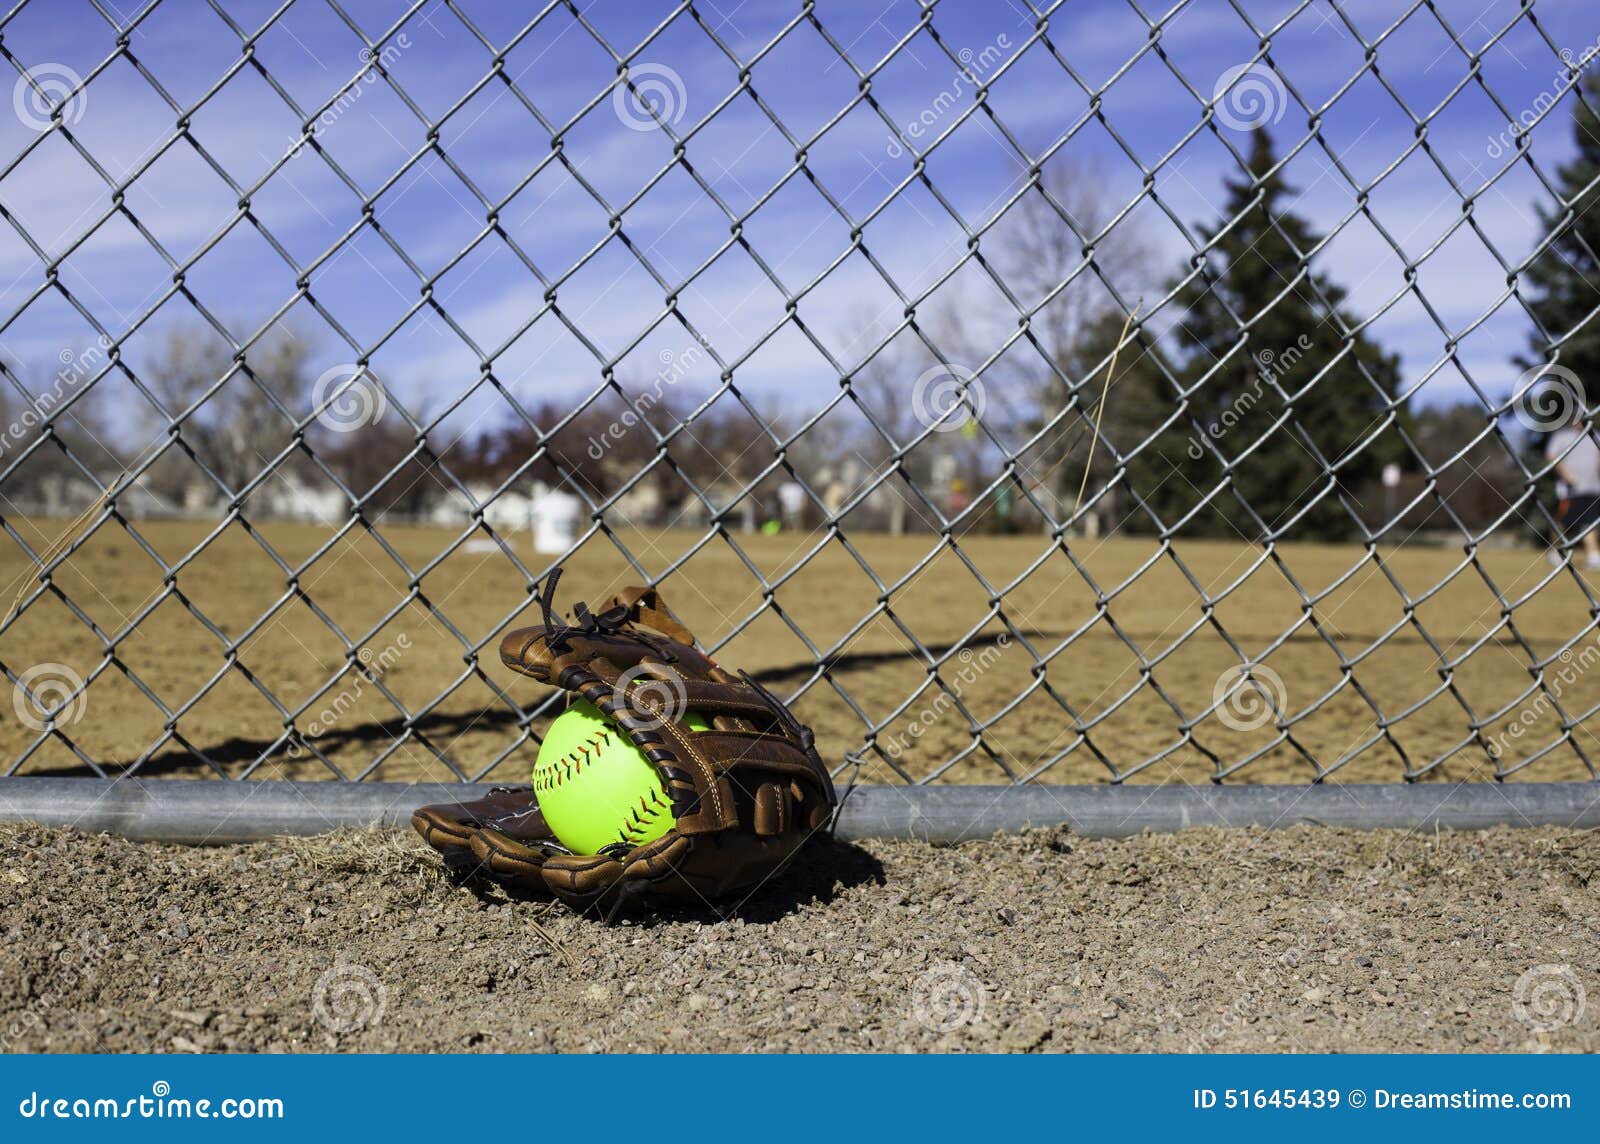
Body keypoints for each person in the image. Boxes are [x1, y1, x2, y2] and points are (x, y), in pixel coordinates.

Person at [1545, 408, 1600, 570]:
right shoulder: (1562, 437)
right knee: (1563, 522)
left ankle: (1593, 555)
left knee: (1589, 522)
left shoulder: (1595, 435)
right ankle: (1555, 551)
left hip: (1592, 487)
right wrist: (1565, 474)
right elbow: (1551, 456)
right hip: (1570, 489)